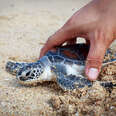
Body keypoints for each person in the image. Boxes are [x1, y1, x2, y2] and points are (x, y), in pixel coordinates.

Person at [39, 0, 116, 81]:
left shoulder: (55, 69)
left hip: (104, 58)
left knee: (67, 83)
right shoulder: (47, 56)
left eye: (28, 74)